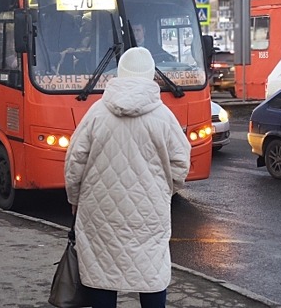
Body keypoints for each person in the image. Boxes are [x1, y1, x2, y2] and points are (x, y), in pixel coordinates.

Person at [64, 47, 191, 308]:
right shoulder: (164, 116)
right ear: (151, 76)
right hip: (149, 210)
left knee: (101, 273)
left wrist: (75, 198)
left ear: (120, 73)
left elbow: (74, 160)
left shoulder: (97, 112)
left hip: (99, 209)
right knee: (150, 271)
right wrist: (167, 189)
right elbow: (181, 162)